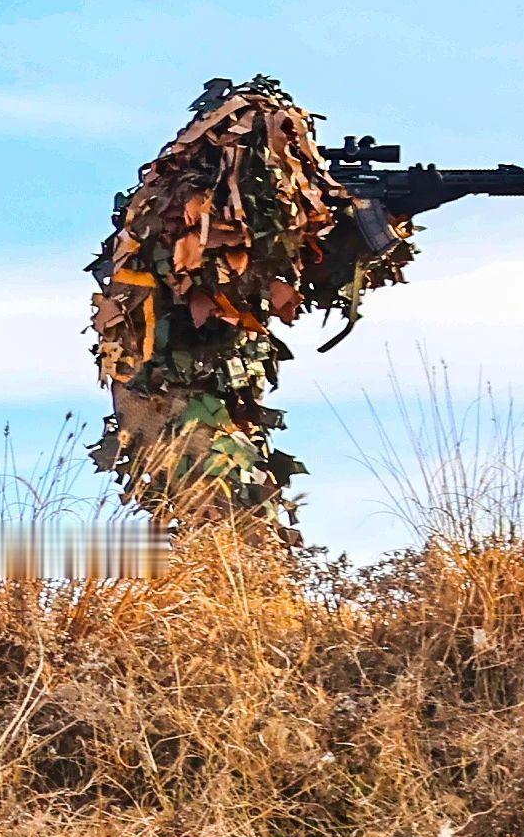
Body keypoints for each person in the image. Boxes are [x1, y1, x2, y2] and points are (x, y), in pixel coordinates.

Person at [89, 73, 405, 533]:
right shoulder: (187, 205)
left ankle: (238, 600)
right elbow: (217, 283)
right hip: (167, 398)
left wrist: (377, 227)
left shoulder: (239, 213)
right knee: (231, 528)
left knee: (241, 523)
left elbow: (313, 288)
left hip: (213, 396)